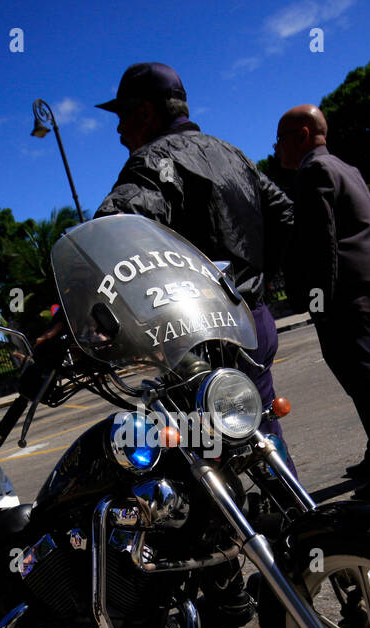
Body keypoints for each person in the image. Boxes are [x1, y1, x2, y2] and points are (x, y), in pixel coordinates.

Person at [92, 62, 295, 452]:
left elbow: (111, 233)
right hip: (254, 319)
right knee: (260, 432)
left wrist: (77, 310)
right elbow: (285, 213)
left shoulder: (153, 160)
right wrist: (258, 277)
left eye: (122, 116)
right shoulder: (232, 153)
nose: (118, 131)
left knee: (203, 449)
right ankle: (284, 511)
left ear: (146, 112)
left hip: (201, 335)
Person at [275, 104, 370, 500]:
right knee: (360, 374)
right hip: (367, 283)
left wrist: (315, 300)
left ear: (302, 135)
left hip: (344, 292)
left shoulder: (313, 171)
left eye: (281, 140)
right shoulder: (344, 167)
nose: (277, 150)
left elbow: (321, 243)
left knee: (364, 378)